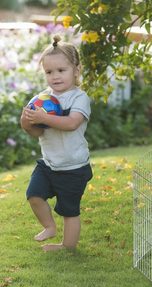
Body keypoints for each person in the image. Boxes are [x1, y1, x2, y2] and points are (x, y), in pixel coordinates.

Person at [20, 35, 93, 252]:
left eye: (61, 70)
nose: (55, 76)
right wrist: (27, 122)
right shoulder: (42, 99)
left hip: (73, 167)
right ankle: (49, 226)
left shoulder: (79, 98)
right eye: (49, 72)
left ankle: (67, 247)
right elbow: (36, 132)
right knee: (34, 195)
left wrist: (43, 118)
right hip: (49, 163)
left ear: (76, 70)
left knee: (69, 211)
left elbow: (71, 124)